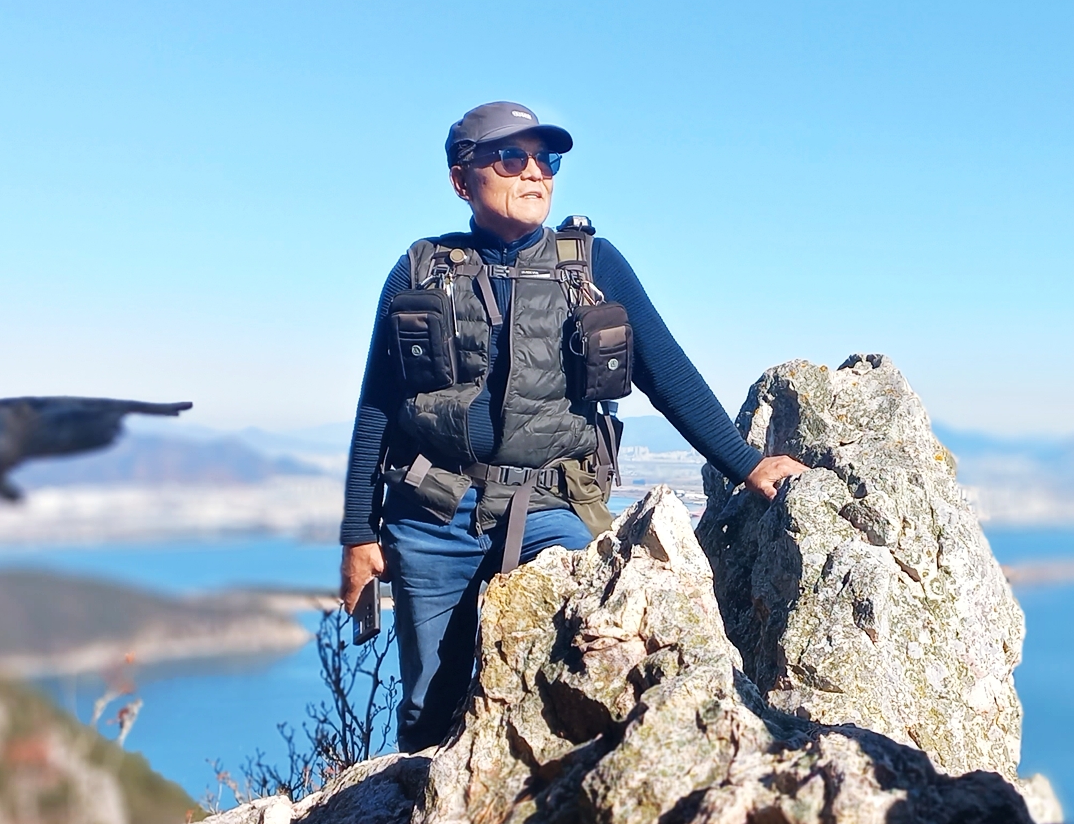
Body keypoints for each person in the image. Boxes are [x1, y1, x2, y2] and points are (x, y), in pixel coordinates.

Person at [337, 101, 807, 750]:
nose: (535, 172)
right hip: (434, 512)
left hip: (552, 504)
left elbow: (666, 371)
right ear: (461, 178)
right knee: (427, 709)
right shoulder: (419, 270)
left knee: (587, 665)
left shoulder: (591, 265)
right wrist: (357, 533)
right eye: (512, 157)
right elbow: (377, 404)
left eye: (546, 159)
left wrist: (748, 465)